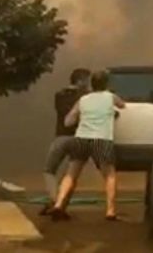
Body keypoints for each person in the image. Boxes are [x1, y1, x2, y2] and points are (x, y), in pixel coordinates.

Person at [49, 70, 125, 221]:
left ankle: (58, 204)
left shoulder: (83, 100)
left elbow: (68, 121)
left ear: (92, 84)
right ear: (106, 84)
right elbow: (123, 106)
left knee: (71, 174)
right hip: (101, 139)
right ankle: (110, 211)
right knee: (109, 175)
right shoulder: (110, 97)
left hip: (81, 138)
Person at [40, 68, 91, 216]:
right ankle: (60, 205)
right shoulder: (87, 97)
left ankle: (55, 200)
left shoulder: (59, 95)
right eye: (87, 80)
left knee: (49, 170)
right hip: (81, 138)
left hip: (61, 137)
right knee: (71, 176)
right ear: (80, 81)